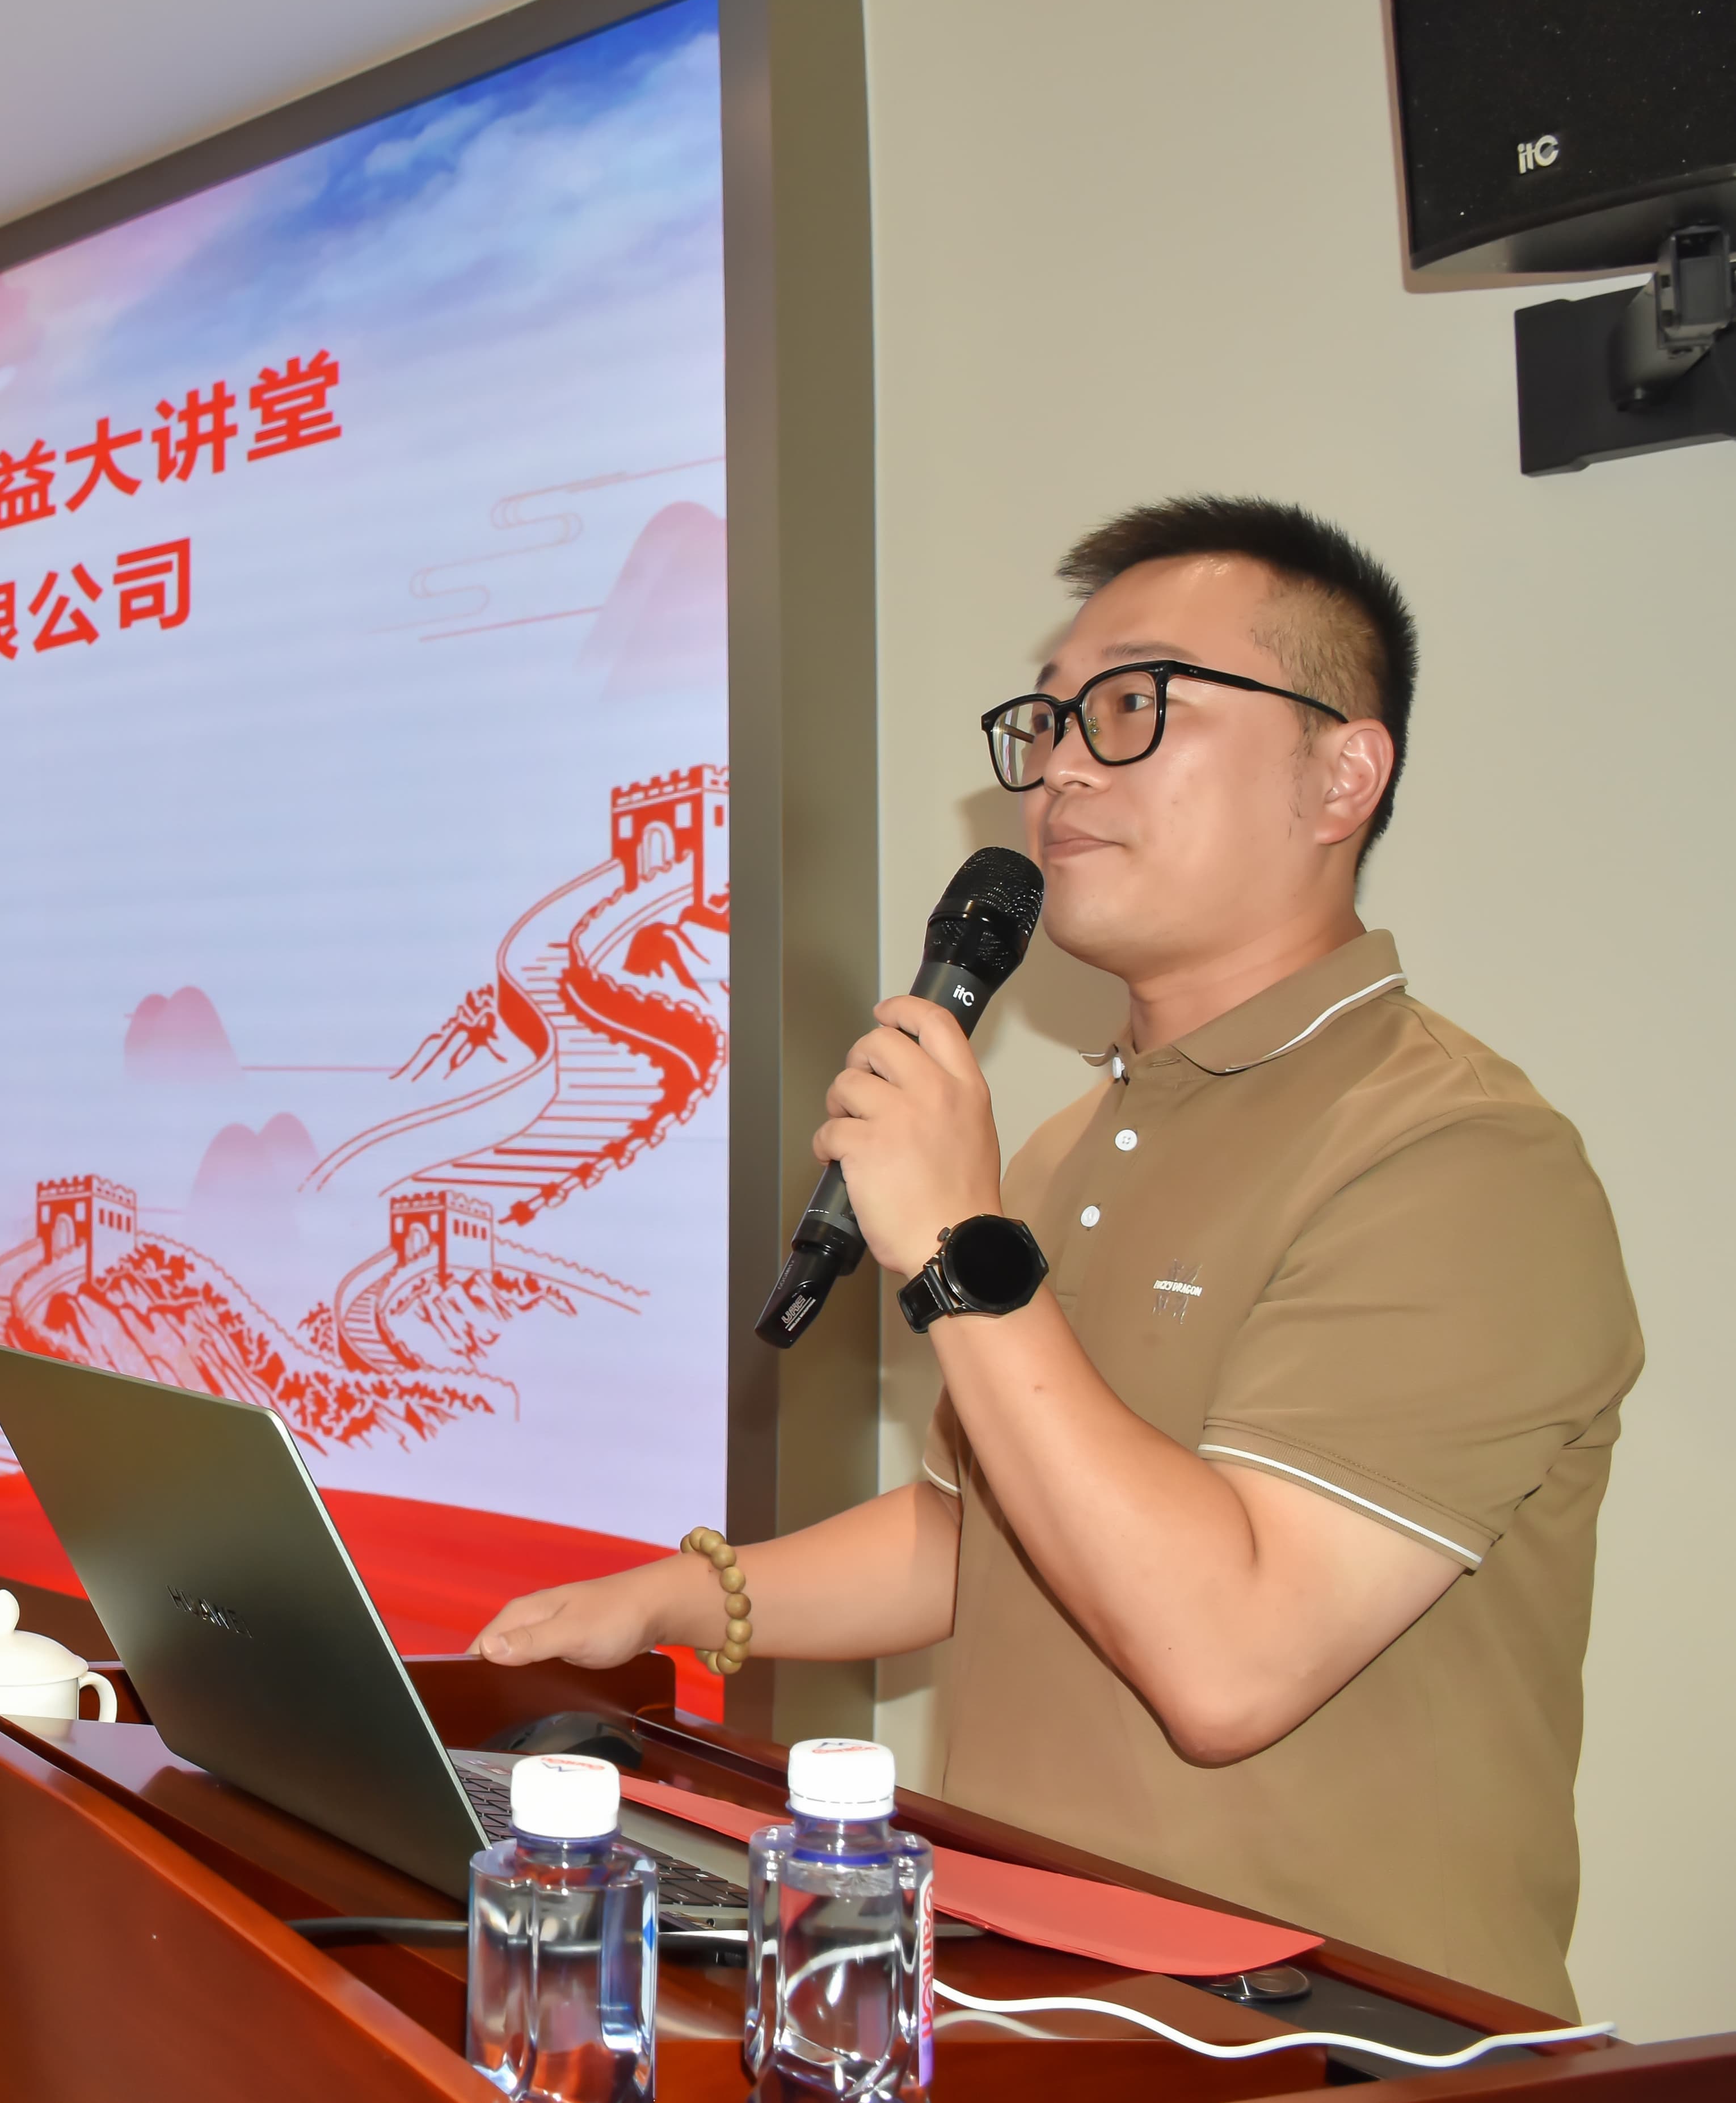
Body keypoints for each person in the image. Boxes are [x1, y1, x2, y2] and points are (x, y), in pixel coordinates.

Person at [473, 496, 1639, 2015]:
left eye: (1134, 706)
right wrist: (676, 1598)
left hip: (1322, 2037)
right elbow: (986, 1533)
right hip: (1030, 1997)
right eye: (1050, 718)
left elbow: (1228, 1661)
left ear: (1342, 774)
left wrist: (957, 1246)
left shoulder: (1457, 1158)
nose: (1066, 765)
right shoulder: (1070, 1141)